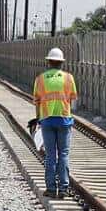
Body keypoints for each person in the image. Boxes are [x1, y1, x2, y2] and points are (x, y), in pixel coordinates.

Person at [33, 47, 78, 199]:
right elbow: (72, 98)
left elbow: (37, 101)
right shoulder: (68, 78)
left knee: (50, 155)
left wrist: (38, 119)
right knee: (64, 153)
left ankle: (51, 189)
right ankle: (64, 189)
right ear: (61, 63)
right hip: (64, 119)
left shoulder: (40, 79)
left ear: (48, 62)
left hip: (46, 119)